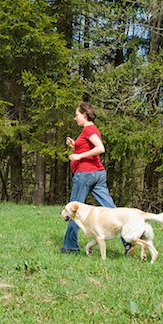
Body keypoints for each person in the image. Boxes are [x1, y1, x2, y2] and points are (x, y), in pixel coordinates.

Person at [61, 102, 133, 256]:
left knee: (73, 210)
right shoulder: (90, 130)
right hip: (97, 173)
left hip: (85, 174)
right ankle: (128, 243)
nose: (75, 118)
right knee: (112, 209)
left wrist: (79, 155)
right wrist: (75, 146)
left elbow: (100, 148)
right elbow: (90, 148)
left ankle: (69, 246)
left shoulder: (88, 129)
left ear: (84, 115)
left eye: (77, 115)